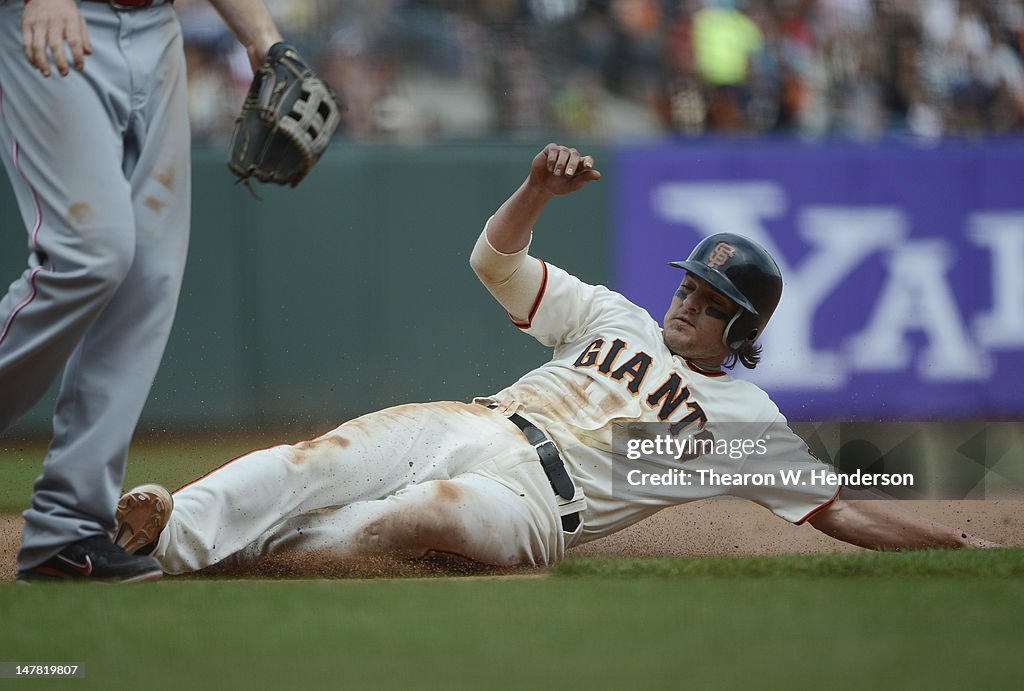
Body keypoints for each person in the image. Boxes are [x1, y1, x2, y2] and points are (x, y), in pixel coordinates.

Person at [113, 143, 998, 575]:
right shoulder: (614, 314)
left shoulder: (743, 422)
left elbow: (840, 509)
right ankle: (162, 530)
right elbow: (494, 263)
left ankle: (244, 559)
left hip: (536, 503)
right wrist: (536, 190)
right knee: (321, 459)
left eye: (707, 301)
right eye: (689, 287)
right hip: (478, 419)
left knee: (421, 514)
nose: (686, 300)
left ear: (740, 326)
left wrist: (950, 541)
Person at [0, 0, 288, 582]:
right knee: (90, 252)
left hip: (158, 33)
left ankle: (69, 529)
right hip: (58, 19)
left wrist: (263, 37)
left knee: (149, 280)